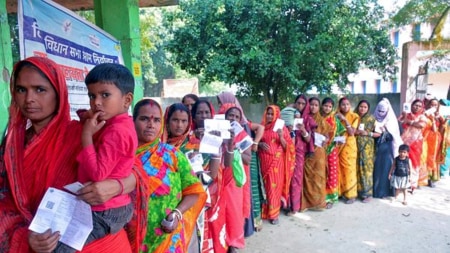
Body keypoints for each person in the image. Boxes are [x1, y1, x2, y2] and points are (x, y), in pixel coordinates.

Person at [0, 57, 141, 253]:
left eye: (40, 89)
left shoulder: (87, 131)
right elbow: (4, 199)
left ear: (59, 93)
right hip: (42, 244)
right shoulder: (11, 148)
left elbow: (135, 169)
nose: (29, 98)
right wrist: (27, 236)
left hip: (103, 246)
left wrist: (117, 186)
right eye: (21, 89)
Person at [54, 63, 137, 252]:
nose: (96, 102)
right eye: (92, 96)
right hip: (109, 207)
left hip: (105, 210)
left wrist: (86, 136)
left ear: (127, 100)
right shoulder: (116, 124)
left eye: (105, 95)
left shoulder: (116, 131)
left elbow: (98, 174)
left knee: (60, 248)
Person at [133, 98, 207, 253]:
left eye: (156, 120)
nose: (151, 125)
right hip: (131, 239)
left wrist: (177, 213)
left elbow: (194, 191)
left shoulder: (173, 155)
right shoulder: (123, 155)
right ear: (133, 121)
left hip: (168, 238)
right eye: (144, 119)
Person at [258, 105, 295, 223]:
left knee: (274, 188)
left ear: (276, 115)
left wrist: (280, 136)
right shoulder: (261, 126)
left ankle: (274, 214)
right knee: (265, 187)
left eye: (272, 114)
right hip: (264, 162)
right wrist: (259, 145)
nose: (269, 116)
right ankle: (266, 211)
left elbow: (289, 147)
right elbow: (255, 142)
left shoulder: (281, 128)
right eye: (268, 113)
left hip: (277, 164)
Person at [289, 94, 316, 215]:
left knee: (296, 178)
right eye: (298, 103)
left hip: (299, 152)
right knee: (286, 177)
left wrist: (303, 129)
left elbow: (309, 139)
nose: (300, 106)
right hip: (286, 150)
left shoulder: (308, 119)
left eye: (303, 104)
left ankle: (294, 207)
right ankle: (285, 204)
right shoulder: (288, 115)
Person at [301, 97, 329, 211]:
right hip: (306, 152)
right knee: (307, 178)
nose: (313, 107)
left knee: (318, 177)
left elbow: (327, 136)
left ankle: (319, 203)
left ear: (319, 107)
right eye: (311, 104)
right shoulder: (303, 119)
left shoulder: (321, 120)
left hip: (319, 153)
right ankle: (307, 203)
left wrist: (326, 140)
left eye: (316, 105)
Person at [372, 98, 402, 199]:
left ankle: (385, 192)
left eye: (383, 111)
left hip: (386, 149)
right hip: (374, 148)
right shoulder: (373, 118)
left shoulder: (391, 120)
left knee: (385, 170)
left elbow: (394, 136)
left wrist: (384, 131)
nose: (380, 113)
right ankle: (375, 191)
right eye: (379, 110)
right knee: (375, 170)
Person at [320, 97, 346, 209]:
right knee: (321, 173)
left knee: (332, 173)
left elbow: (341, 134)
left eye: (330, 106)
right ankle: (320, 197)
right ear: (322, 106)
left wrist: (337, 141)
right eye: (325, 105)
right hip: (319, 150)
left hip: (332, 151)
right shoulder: (318, 118)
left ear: (332, 108)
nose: (327, 108)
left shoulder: (335, 120)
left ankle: (330, 198)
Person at [398, 99, 427, 193]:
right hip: (404, 142)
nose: (417, 107)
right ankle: (403, 183)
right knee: (403, 161)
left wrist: (409, 122)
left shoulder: (422, 116)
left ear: (422, 107)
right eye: (415, 105)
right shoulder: (407, 114)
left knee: (414, 163)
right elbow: (400, 122)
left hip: (416, 143)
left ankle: (413, 184)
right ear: (411, 105)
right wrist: (404, 116)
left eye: (419, 106)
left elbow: (421, 125)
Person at [336, 97, 359, 204]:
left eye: (347, 104)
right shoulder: (335, 115)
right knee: (339, 168)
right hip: (337, 144)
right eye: (343, 105)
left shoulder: (354, 116)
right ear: (339, 106)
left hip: (349, 145)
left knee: (349, 169)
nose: (345, 107)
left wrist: (344, 120)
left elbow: (352, 132)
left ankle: (351, 195)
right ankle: (340, 192)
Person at [354, 100, 375, 203]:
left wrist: (367, 133)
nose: (362, 109)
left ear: (368, 109)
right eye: (361, 106)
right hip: (355, 146)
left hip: (367, 148)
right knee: (356, 168)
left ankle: (368, 194)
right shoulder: (354, 117)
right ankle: (357, 192)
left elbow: (378, 133)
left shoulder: (371, 119)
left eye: (365, 107)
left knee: (366, 170)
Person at [423, 97, 446, 187]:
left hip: (436, 139)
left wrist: (442, 120)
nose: (434, 106)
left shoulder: (439, 116)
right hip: (427, 138)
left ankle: (432, 178)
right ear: (429, 105)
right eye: (432, 104)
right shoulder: (426, 114)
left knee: (434, 157)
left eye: (435, 105)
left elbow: (442, 128)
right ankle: (425, 178)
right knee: (426, 157)